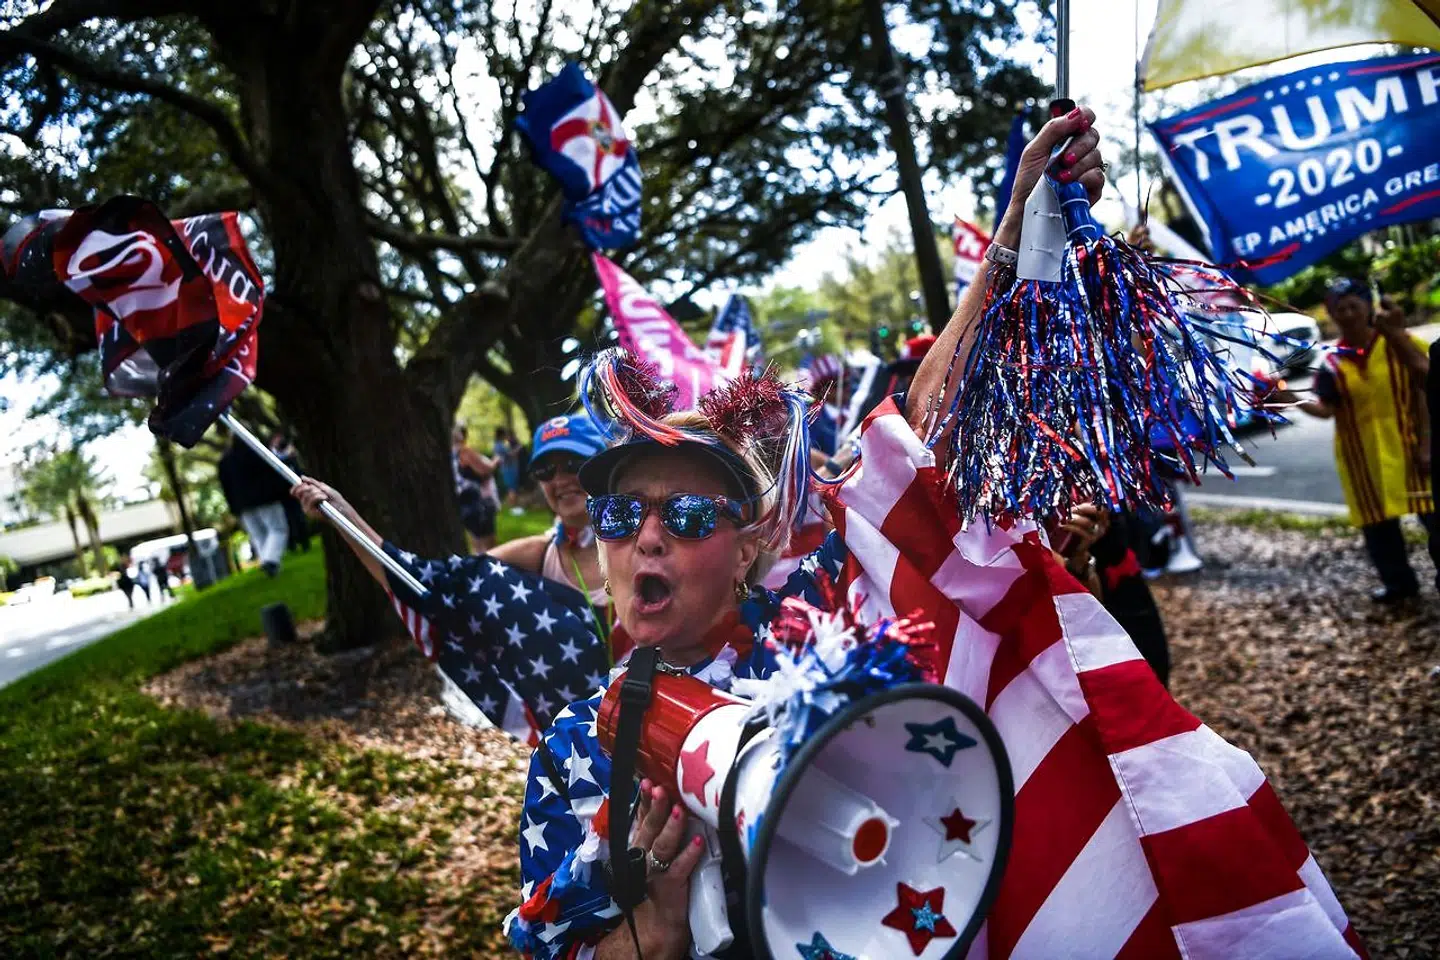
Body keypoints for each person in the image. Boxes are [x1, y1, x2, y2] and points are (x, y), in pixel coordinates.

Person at [490, 109, 1359, 959]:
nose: (644, 537)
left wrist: (1019, 241)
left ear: (751, 546)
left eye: (683, 516)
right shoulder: (572, 747)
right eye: (618, 515)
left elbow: (914, 444)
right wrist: (658, 931)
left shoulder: (818, 633)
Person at [1284, 277, 1434, 602]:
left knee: (1433, 514)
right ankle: (1399, 586)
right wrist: (1284, 397)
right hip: (1361, 458)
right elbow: (1325, 410)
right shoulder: (1331, 362)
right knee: (1379, 528)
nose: (1349, 313)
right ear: (1332, 314)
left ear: (1369, 306)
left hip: (1411, 447)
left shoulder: (1401, 343)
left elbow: (1426, 393)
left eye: (1355, 305)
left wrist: (1427, 444)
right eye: (1341, 308)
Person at [487, 414, 621, 656]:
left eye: (574, 464)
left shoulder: (645, 541)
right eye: (545, 470)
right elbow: (463, 575)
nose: (560, 480)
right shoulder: (539, 553)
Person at [218, 435, 293, 577]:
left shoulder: (225, 461)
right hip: (266, 498)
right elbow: (274, 469)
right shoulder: (258, 453)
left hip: (243, 504)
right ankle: (270, 560)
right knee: (277, 529)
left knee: (258, 535)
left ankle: (267, 561)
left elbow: (226, 487)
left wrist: (234, 507)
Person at [454, 424, 501, 553]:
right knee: (490, 545)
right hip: (479, 500)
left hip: (463, 500)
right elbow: (484, 471)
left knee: (476, 543)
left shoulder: (449, 452)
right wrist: (495, 461)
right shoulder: (464, 451)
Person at [271, 433, 311, 553]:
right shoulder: (276, 456)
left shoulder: (289, 456)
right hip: (282, 493)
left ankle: (303, 542)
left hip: (293, 490)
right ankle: (293, 543)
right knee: (289, 519)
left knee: (298, 517)